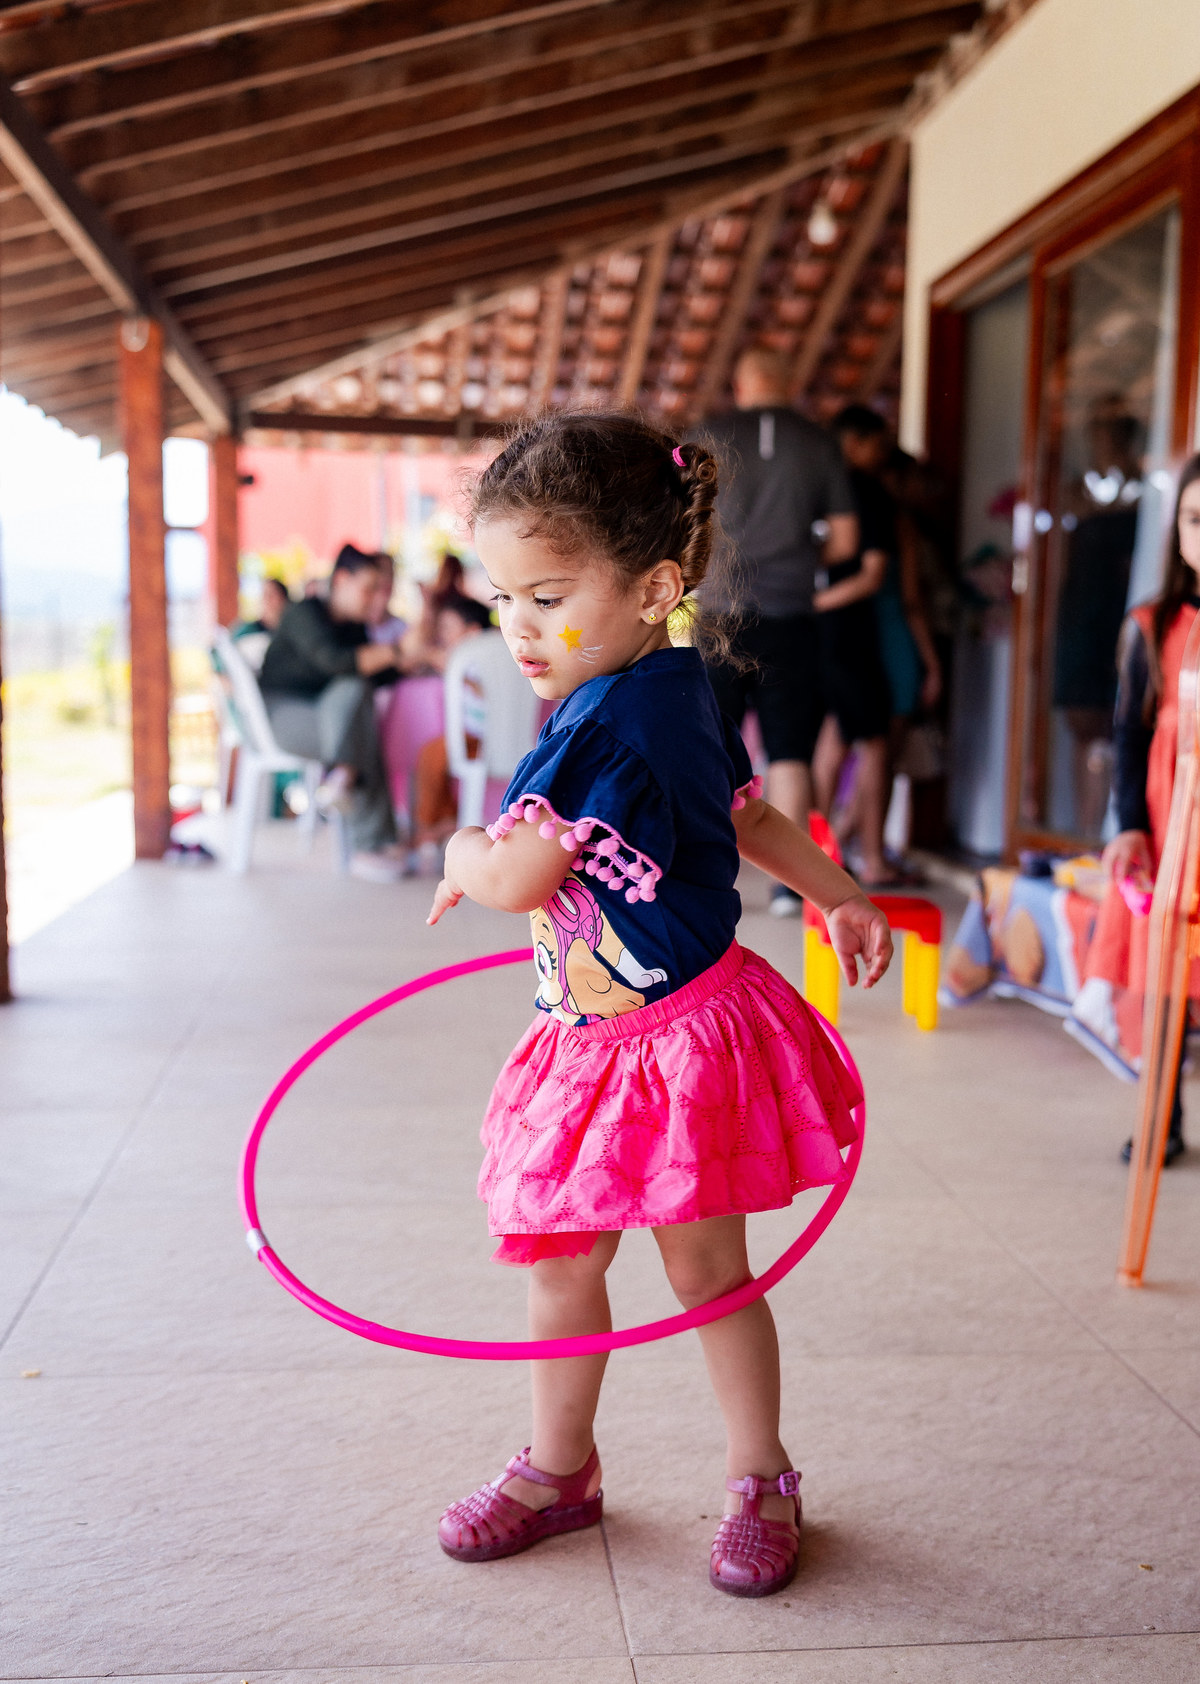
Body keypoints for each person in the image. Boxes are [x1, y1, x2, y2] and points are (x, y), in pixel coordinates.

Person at [425, 413, 892, 1596]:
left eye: (548, 596)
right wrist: (839, 892)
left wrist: (461, 847)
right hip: (603, 1040)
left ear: (654, 587)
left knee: (694, 1269)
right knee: (581, 1260)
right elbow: (750, 813)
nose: (520, 627)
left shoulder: (602, 727)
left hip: (673, 1044)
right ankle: (560, 1470)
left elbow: (516, 879)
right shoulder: (671, 684)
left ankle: (758, 1476)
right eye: (503, 598)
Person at [699, 347, 859, 917]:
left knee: (707, 746)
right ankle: (791, 889)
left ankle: (703, 875)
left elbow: (676, 522)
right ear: (788, 384)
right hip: (790, 612)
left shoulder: (706, 437)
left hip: (717, 612)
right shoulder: (819, 443)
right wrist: (800, 560)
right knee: (790, 749)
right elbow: (845, 540)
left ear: (741, 385)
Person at [1087, 454, 1200, 1165]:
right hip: (1171, 826)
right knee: (1167, 980)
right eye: (1194, 519)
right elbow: (1130, 736)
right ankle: (1162, 1116)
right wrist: (1130, 823)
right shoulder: (1152, 625)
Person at [259, 545, 408, 882]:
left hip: (327, 716)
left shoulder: (354, 627)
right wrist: (397, 651)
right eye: (369, 588)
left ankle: (343, 776)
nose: (375, 599)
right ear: (341, 579)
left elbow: (374, 675)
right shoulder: (303, 613)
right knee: (360, 724)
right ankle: (370, 842)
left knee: (358, 692)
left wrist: (410, 661)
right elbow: (334, 661)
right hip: (280, 716)